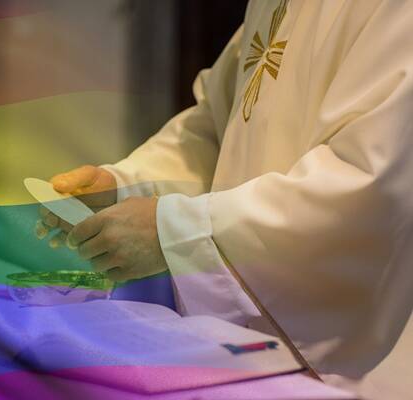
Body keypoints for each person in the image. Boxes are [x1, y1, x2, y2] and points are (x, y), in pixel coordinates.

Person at [36, 1, 413, 398]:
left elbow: (370, 187)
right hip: (250, 355)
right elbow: (221, 130)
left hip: (358, 363)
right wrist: (124, 186)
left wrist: (171, 230)